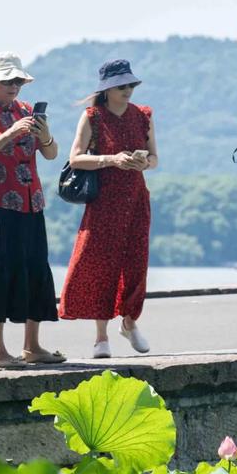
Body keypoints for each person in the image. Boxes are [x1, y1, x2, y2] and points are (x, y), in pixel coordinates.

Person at [0, 51, 66, 368]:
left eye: (18, 80)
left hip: (30, 200)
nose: (14, 86)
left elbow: (50, 154)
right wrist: (9, 134)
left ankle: (32, 346)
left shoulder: (26, 111)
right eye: (8, 81)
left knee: (35, 268)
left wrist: (44, 134)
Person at [59, 59, 158, 358]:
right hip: (104, 202)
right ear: (107, 89)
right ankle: (100, 337)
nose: (128, 90)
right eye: (121, 86)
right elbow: (75, 158)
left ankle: (129, 322)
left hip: (136, 199)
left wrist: (143, 162)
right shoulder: (93, 116)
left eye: (130, 85)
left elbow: (155, 158)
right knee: (101, 266)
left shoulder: (143, 115)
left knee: (136, 265)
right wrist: (111, 159)